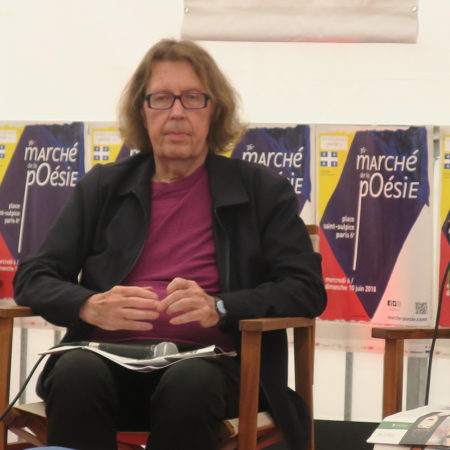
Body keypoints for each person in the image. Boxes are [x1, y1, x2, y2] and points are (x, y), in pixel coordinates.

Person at [13, 39, 327, 450]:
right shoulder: (104, 187)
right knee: (75, 374)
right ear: (142, 112)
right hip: (106, 359)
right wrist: (89, 305)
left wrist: (221, 307)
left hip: (213, 369)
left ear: (214, 111)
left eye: (193, 98)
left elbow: (306, 289)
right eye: (161, 98)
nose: (177, 112)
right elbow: (33, 275)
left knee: (189, 384)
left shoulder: (262, 191)